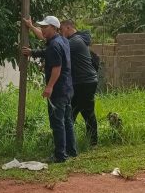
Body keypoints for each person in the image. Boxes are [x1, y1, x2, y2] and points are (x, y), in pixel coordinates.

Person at [23, 18, 99, 146]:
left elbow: (52, 50)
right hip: (84, 82)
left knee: (76, 113)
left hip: (84, 82)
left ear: (68, 28)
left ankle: (73, 144)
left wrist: (33, 52)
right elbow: (45, 36)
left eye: (61, 29)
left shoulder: (74, 42)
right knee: (81, 113)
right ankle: (83, 143)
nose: (60, 32)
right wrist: (31, 27)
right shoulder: (70, 40)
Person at [21, 16, 77, 163]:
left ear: (53, 28)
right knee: (67, 121)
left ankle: (60, 156)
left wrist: (49, 87)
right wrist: (31, 28)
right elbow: (46, 48)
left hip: (58, 90)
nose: (43, 30)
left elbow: (56, 68)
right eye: (42, 27)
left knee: (57, 122)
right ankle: (71, 151)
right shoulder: (62, 40)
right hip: (67, 88)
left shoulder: (54, 45)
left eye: (45, 27)